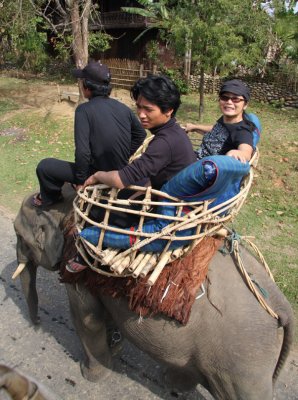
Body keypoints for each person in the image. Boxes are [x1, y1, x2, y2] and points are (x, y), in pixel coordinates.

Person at [67, 74, 197, 272]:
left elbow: (119, 179)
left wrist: (97, 175)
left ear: (169, 111)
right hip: (167, 195)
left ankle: (88, 255)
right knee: (124, 196)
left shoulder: (164, 142)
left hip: (168, 212)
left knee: (99, 211)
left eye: (148, 109)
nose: (141, 114)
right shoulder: (173, 133)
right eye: (139, 107)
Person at [33, 61, 146, 207]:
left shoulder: (83, 110)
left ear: (86, 88)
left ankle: (51, 198)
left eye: (81, 82)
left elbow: (83, 153)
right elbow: (141, 134)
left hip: (95, 173)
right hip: (118, 170)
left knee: (45, 166)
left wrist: (81, 181)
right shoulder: (123, 108)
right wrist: (124, 155)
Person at [184, 79, 255, 163]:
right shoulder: (225, 120)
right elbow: (215, 130)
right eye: (224, 97)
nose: (229, 102)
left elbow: (246, 151)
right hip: (194, 157)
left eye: (235, 99)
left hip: (201, 170)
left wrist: (239, 153)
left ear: (245, 105)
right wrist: (194, 127)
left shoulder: (242, 131)